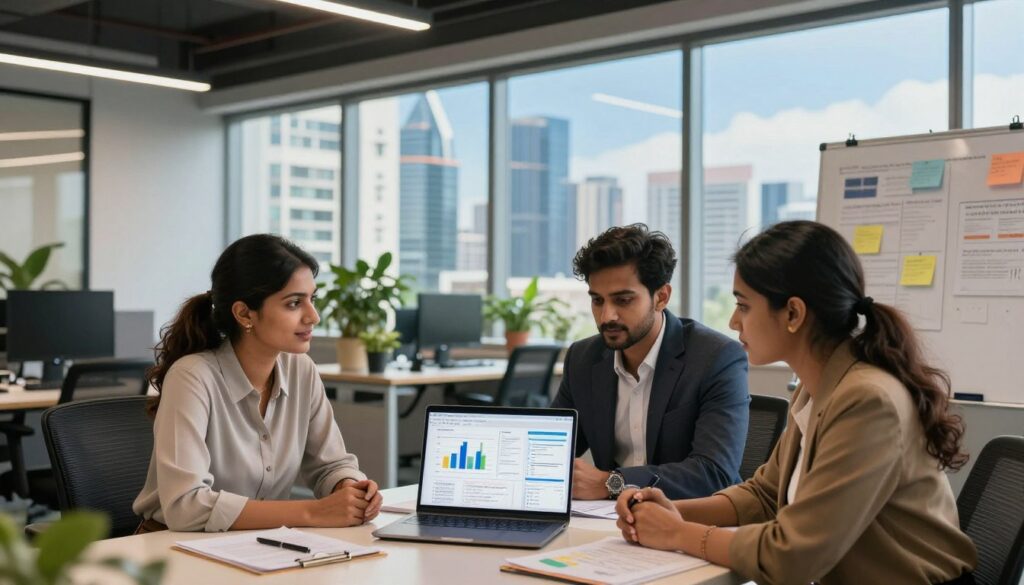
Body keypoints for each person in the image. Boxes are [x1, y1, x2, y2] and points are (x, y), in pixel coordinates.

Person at [616, 220, 977, 585]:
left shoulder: (867, 400)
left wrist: (678, 534)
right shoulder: (817, 387)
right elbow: (765, 495)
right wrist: (670, 511)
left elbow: (792, 556)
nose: (733, 320)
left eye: (743, 305)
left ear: (793, 314)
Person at [133, 234, 382, 533]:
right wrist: (315, 513)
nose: (313, 316)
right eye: (293, 303)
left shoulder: (302, 370)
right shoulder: (192, 377)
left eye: (311, 299)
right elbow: (187, 507)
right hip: (173, 546)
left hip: (260, 544)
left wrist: (350, 489)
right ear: (244, 313)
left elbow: (330, 465)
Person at [551, 224, 749, 500]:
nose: (607, 316)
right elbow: (551, 453)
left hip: (690, 520)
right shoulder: (583, 359)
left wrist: (612, 483)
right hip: (611, 522)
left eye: (623, 300)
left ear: (661, 297)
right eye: (598, 301)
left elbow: (714, 472)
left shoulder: (715, 358)